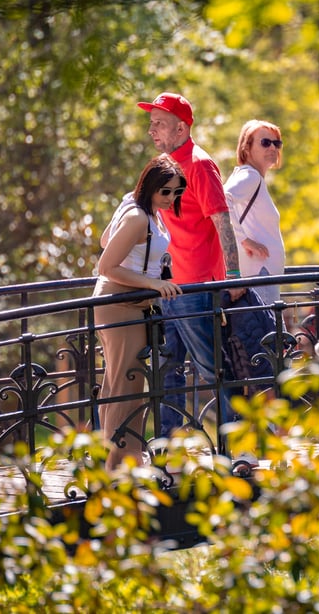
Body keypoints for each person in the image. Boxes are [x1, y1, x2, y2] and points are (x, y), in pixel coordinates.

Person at [136, 92, 245, 438]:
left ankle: (234, 451)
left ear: (181, 127)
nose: (152, 131)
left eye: (159, 124)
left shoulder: (199, 164)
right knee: (167, 373)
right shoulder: (162, 169)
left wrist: (235, 277)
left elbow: (222, 221)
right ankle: (168, 451)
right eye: (151, 123)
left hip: (197, 289)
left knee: (215, 370)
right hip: (167, 288)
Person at [93, 154, 184, 470]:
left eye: (176, 192)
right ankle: (117, 464)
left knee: (125, 381)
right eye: (165, 191)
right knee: (125, 383)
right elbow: (106, 264)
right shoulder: (137, 216)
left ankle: (124, 455)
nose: (171, 198)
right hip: (119, 304)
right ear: (150, 187)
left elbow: (107, 239)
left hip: (132, 302)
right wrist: (151, 282)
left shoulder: (141, 210)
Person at [225, 119, 286, 308]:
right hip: (259, 274)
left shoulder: (249, 176)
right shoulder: (250, 176)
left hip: (260, 274)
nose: (272, 148)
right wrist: (244, 240)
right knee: (268, 335)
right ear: (246, 148)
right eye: (265, 142)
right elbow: (222, 200)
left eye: (277, 143)